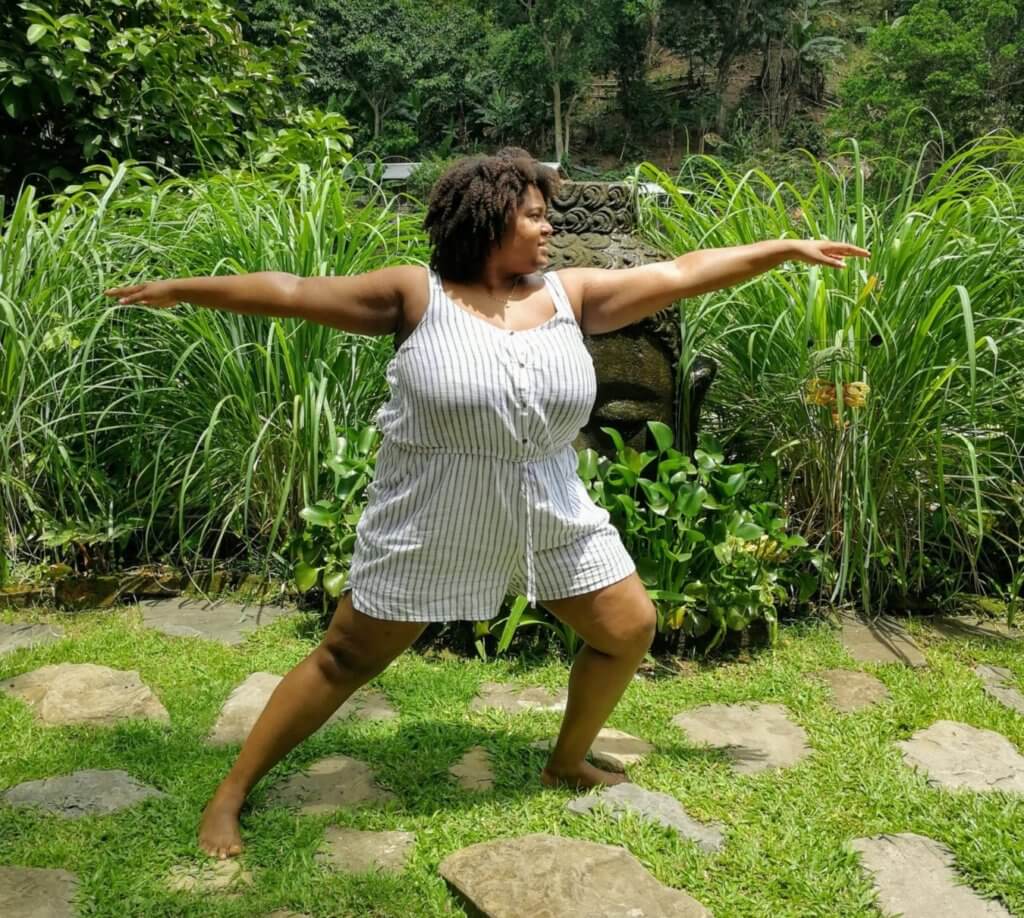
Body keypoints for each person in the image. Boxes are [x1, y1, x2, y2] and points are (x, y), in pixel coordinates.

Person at [104, 147, 869, 859]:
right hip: (433, 512)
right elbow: (294, 292)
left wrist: (780, 250)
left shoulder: (572, 296)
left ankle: (566, 761)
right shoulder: (415, 293)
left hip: (549, 506)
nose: (549, 227)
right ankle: (231, 793)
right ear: (490, 217)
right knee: (345, 657)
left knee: (628, 626)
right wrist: (184, 290)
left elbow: (683, 271)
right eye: (536, 214)